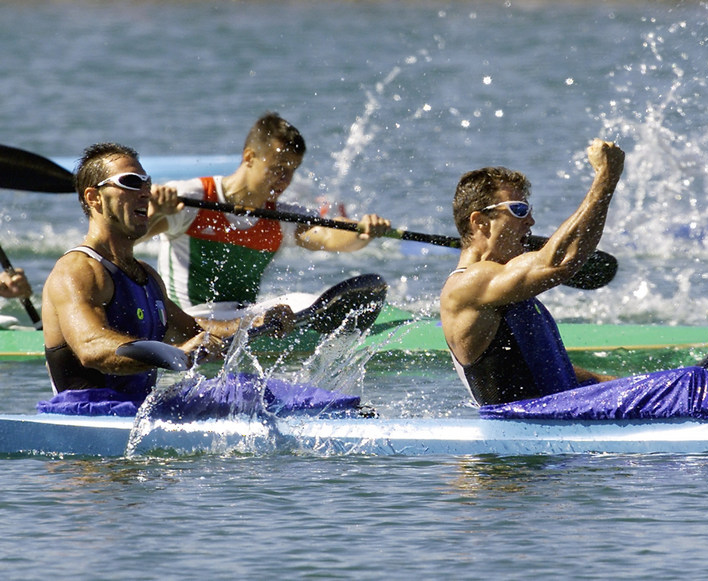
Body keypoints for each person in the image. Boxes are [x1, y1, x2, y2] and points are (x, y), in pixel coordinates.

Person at [41, 142, 295, 399]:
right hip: (87, 415)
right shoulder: (77, 270)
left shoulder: (146, 276)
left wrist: (254, 321)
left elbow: (194, 330)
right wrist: (178, 354)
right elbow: (91, 347)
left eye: (146, 184)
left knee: (253, 391)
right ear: (93, 197)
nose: (145, 193)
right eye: (130, 182)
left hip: (139, 414)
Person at [143, 111, 392, 316]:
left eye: (292, 171)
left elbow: (327, 235)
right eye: (277, 169)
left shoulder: (281, 217)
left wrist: (363, 233)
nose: (284, 180)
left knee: (303, 300)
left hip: (242, 319)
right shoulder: (191, 197)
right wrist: (154, 212)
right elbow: (128, 237)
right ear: (249, 157)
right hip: (190, 319)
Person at [439, 139, 625, 406]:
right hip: (527, 423)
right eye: (518, 210)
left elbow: (544, 372)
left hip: (557, 414)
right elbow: (560, 264)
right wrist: (605, 179)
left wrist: (619, 385)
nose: (530, 221)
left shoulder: (499, 282)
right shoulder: (469, 283)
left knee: (682, 382)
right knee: (693, 385)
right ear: (480, 222)